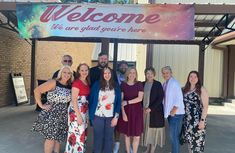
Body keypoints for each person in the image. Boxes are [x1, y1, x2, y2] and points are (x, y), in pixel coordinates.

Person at [32, 65, 74, 153]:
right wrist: (41, 105)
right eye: (64, 72)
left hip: (63, 114)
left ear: (71, 75)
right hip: (52, 113)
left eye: (69, 73)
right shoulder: (53, 82)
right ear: (60, 73)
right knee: (50, 138)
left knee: (58, 137)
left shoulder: (69, 85)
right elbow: (37, 90)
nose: (66, 74)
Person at [89, 67, 121, 153]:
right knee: (98, 138)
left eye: (109, 73)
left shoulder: (116, 86)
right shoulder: (96, 84)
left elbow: (118, 103)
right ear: (102, 75)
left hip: (111, 117)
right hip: (97, 116)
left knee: (109, 138)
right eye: (105, 73)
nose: (107, 75)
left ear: (112, 74)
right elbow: (91, 99)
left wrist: (116, 117)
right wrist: (91, 114)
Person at [117, 67, 144, 153]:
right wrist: (123, 114)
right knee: (127, 135)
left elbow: (140, 98)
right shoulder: (123, 85)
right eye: (130, 73)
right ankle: (128, 151)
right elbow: (121, 101)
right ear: (127, 74)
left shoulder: (139, 84)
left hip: (137, 113)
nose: (132, 75)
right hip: (127, 112)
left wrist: (128, 102)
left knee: (137, 136)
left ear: (136, 75)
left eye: (134, 73)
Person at [65, 63, 90, 153]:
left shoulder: (87, 81)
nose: (84, 72)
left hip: (84, 110)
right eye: (82, 70)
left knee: (82, 133)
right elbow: (74, 100)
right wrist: (78, 115)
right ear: (79, 71)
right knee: (75, 134)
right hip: (76, 111)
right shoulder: (77, 82)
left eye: (86, 70)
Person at [181, 71, 209, 153]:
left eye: (195, 77)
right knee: (190, 143)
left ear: (198, 78)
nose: (192, 78)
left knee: (197, 145)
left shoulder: (202, 89)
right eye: (191, 76)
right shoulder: (184, 89)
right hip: (187, 121)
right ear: (188, 78)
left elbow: (205, 107)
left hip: (198, 121)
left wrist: (202, 121)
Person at [161, 66, 185, 153]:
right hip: (171, 114)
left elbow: (179, 98)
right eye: (163, 73)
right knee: (173, 135)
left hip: (176, 114)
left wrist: (174, 110)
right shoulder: (165, 84)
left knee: (174, 136)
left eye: (167, 73)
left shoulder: (174, 83)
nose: (165, 74)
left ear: (171, 73)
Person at [142, 67, 165, 153]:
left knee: (153, 131)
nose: (149, 75)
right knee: (146, 131)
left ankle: (152, 150)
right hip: (144, 112)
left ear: (154, 74)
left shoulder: (158, 84)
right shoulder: (142, 84)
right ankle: (147, 148)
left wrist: (150, 108)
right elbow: (140, 97)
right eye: (147, 73)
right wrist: (142, 107)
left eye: (151, 73)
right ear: (145, 74)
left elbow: (160, 98)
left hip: (155, 112)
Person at [113, 60, 129, 153]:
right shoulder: (115, 75)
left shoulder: (130, 76)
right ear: (118, 67)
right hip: (116, 102)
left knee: (128, 124)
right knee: (117, 125)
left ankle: (129, 146)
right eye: (122, 66)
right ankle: (117, 144)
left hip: (127, 103)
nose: (123, 67)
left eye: (125, 66)